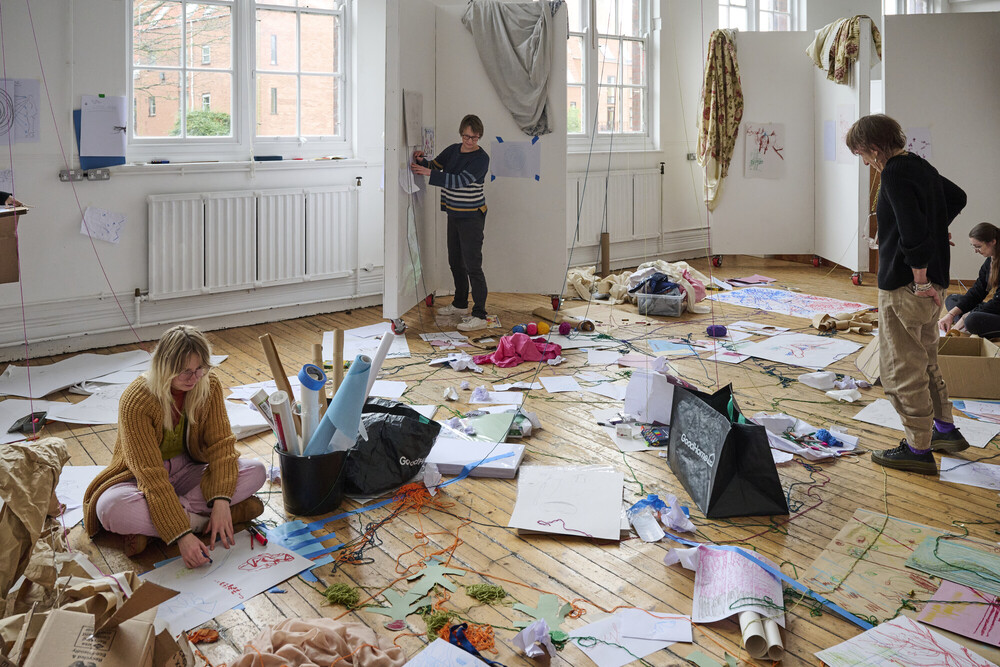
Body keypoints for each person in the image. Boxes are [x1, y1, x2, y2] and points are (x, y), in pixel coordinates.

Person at [846, 114, 969, 475]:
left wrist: (920, 277)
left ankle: (918, 449)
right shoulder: (919, 165)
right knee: (925, 359)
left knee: (901, 369)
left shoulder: (894, 173)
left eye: (862, 155)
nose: (865, 163)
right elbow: (957, 197)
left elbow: (912, 230)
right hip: (931, 284)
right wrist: (937, 229)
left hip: (908, 286)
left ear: (873, 148)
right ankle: (944, 430)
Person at [83, 325, 266, 568]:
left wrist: (221, 500)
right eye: (185, 372)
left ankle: (156, 529)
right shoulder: (136, 400)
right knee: (110, 509)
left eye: (199, 368)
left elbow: (222, 445)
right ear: (164, 367)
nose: (194, 378)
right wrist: (182, 535)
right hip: (139, 479)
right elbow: (151, 477)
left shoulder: (208, 384)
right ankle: (202, 522)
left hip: (188, 469)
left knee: (256, 471)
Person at [411, 114, 491, 332]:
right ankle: (460, 303)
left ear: (479, 136)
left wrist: (429, 172)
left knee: (473, 265)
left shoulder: (481, 159)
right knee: (455, 261)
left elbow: (459, 181)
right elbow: (434, 164)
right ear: (461, 134)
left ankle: (480, 314)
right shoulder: (453, 150)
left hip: (472, 216)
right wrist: (421, 161)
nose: (469, 141)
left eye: (474, 137)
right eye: (466, 136)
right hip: (454, 213)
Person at [938, 222, 1000, 338]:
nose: (975, 250)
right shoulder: (990, 261)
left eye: (978, 246)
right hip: (996, 308)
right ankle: (966, 324)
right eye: (973, 246)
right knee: (952, 299)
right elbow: (977, 291)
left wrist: (966, 316)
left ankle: (967, 324)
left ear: (992, 242)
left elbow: (998, 303)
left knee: (971, 320)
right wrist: (951, 314)